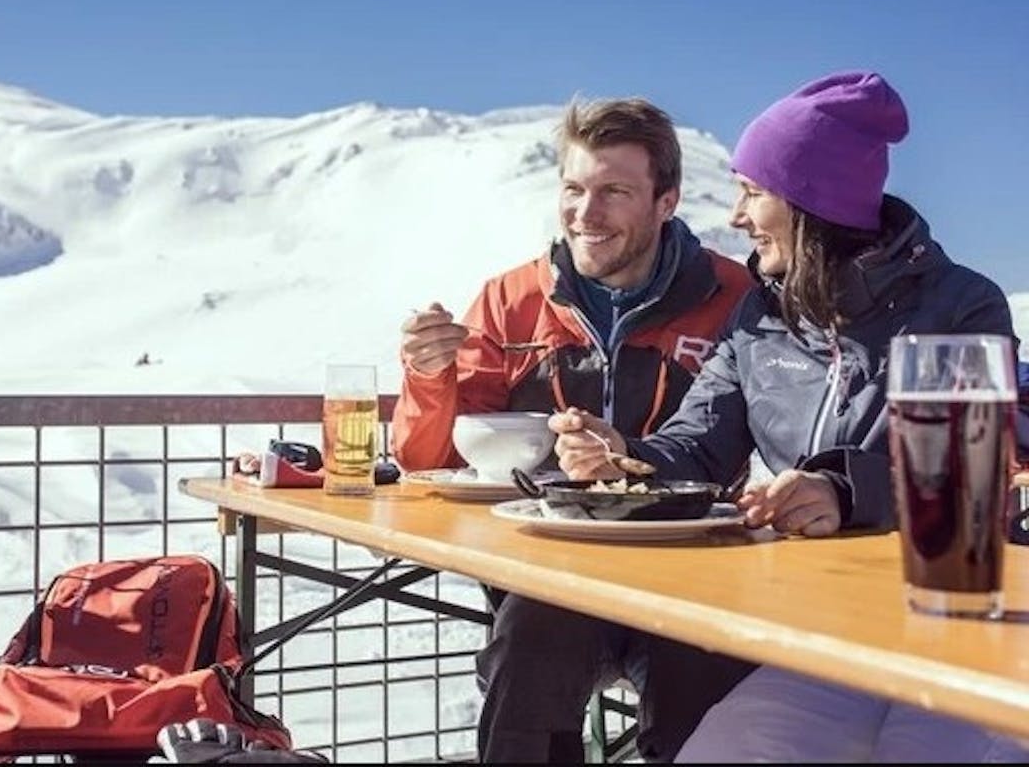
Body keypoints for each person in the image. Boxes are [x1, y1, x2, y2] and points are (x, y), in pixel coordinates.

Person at [551, 70, 1027, 762]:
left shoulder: (959, 308)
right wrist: (625, 453)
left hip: (956, 623)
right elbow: (698, 443)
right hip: (826, 631)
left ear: (811, 203)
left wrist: (842, 490)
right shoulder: (762, 315)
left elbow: (971, 470)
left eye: (753, 192)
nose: (738, 216)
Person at [393, 96, 755, 762]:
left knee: (700, 682)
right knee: (528, 648)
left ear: (666, 201)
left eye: (615, 191)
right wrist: (428, 376)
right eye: (574, 189)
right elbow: (431, 456)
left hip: (694, 570)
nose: (587, 215)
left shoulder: (734, 299)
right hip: (551, 568)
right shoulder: (511, 299)